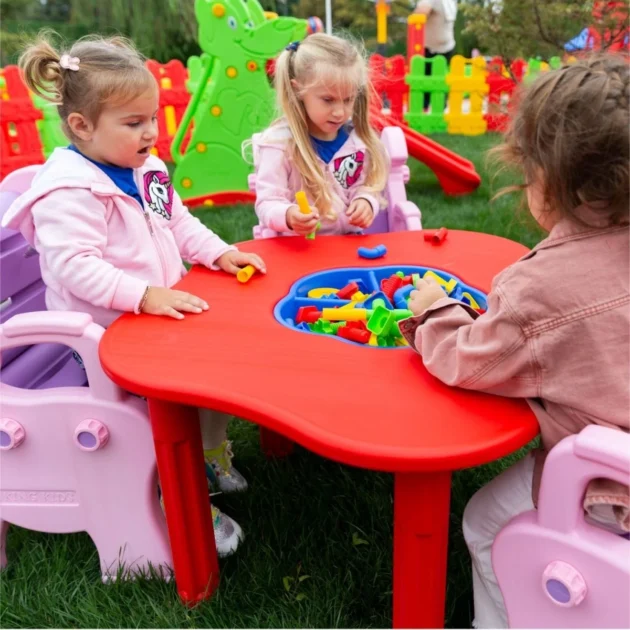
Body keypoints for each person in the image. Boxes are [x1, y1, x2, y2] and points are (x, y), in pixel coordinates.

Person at [3, 33, 266, 556]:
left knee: (219, 367)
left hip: (148, 319)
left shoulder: (142, 169)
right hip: (100, 341)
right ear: (82, 126)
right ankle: (176, 495)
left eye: (152, 119)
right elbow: (75, 267)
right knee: (177, 397)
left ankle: (209, 454)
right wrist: (143, 294)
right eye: (133, 123)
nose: (151, 133)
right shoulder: (69, 193)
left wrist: (218, 253)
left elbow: (178, 222)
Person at [398, 54, 629, 628]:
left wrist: (435, 313)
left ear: (547, 182)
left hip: (609, 491)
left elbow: (469, 361)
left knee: (484, 522)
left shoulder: (538, 289)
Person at [251, 33, 390, 237]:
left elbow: (365, 187)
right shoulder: (279, 145)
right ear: (298, 91)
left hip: (348, 247)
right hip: (298, 251)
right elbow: (267, 202)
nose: (340, 112)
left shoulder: (357, 142)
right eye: (328, 100)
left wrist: (365, 202)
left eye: (348, 99)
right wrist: (288, 215)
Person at [413, 0, 458, 109]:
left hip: (447, 47)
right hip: (428, 49)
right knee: (425, 84)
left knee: (441, 83)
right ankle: (423, 110)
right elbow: (420, 13)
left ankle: (440, 111)